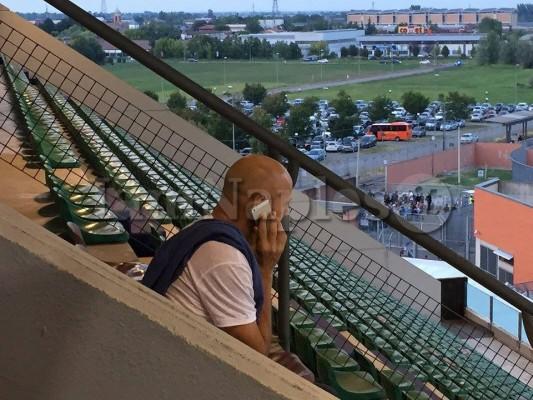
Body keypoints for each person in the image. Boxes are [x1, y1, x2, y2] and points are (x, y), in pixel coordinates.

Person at [142, 155, 293, 356]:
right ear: (259, 204)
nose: (285, 213)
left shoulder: (204, 227)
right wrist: (265, 269)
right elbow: (256, 356)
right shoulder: (225, 259)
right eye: (286, 204)